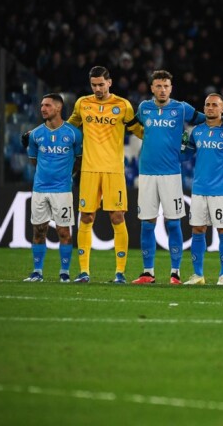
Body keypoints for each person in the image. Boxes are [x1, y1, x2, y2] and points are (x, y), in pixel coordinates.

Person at [67, 66, 144, 284]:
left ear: (110, 82)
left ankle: (120, 273)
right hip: (89, 170)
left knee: (117, 217)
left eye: (101, 84)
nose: (98, 88)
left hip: (114, 170)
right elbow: (69, 128)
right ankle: (84, 272)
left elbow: (139, 131)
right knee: (86, 217)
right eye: (94, 85)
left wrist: (160, 138)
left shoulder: (123, 105)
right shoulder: (83, 104)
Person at [131, 70, 205, 285]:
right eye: (158, 86)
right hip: (146, 174)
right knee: (147, 224)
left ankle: (175, 273)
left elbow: (205, 119)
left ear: (171, 88)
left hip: (171, 174)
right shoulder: (144, 108)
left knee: (173, 223)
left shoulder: (181, 108)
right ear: (152, 88)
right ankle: (148, 272)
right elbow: (131, 125)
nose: (162, 90)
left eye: (166, 86)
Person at [183, 94, 223, 285]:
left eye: (215, 105)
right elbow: (186, 155)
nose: (210, 108)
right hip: (199, 189)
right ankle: (198, 275)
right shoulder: (197, 131)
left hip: (221, 190)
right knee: (198, 229)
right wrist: (180, 143)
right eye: (207, 105)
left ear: (222, 109)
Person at [23, 94, 83, 282]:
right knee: (39, 230)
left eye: (47, 105)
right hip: (40, 188)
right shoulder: (35, 134)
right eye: (42, 105)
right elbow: (33, 160)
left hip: (62, 190)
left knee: (64, 232)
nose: (43, 108)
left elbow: (79, 160)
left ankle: (64, 272)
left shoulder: (73, 133)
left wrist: (65, 175)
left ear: (58, 108)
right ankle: (37, 272)